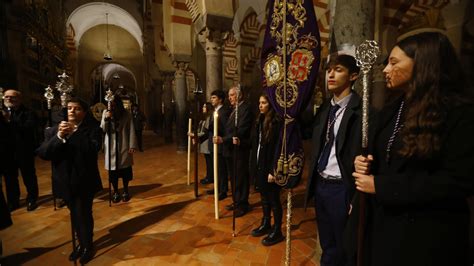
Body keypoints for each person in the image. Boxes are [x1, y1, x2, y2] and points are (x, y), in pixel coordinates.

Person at [351, 32, 474, 266]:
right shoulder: (394, 107)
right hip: (385, 226)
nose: (385, 70)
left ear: (423, 64)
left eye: (394, 62)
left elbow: (458, 181)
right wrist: (365, 162)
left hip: (427, 234)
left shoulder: (459, 113)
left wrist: (381, 185)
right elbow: (384, 152)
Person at [303, 53, 361, 266]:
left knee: (345, 246)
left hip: (342, 188)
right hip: (322, 184)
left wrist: (355, 198)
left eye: (338, 70)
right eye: (328, 71)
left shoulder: (362, 112)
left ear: (353, 76)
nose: (331, 75)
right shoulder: (326, 110)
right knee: (327, 244)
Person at [37, 98, 103, 264]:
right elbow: (43, 153)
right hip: (63, 181)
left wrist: (75, 133)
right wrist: (59, 136)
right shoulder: (53, 131)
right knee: (74, 213)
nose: (72, 111)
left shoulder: (93, 130)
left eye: (77, 108)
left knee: (83, 213)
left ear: (84, 112)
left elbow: (92, 149)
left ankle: (87, 245)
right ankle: (81, 242)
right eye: (69, 108)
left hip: (84, 180)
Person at [249, 93, 284, 246]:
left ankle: (277, 230)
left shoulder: (276, 122)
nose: (260, 105)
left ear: (270, 104)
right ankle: (266, 223)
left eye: (263, 103)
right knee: (264, 197)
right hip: (260, 164)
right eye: (259, 102)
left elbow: (278, 148)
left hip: (270, 167)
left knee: (274, 199)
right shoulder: (260, 120)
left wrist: (273, 170)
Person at [215, 86, 254, 217]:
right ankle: (236, 201)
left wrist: (223, 139)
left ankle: (243, 204)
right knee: (233, 177)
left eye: (232, 95)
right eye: (229, 95)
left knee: (240, 177)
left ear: (239, 95)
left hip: (239, 149)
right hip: (230, 149)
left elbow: (241, 130)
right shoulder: (234, 110)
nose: (229, 98)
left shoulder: (245, 109)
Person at [2, 89, 39, 211]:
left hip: (24, 151)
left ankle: (32, 199)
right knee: (10, 178)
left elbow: (29, 128)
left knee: (28, 176)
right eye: (6, 97)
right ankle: (13, 201)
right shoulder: (1, 113)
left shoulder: (28, 113)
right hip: (7, 152)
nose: (9, 99)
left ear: (19, 99)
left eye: (12, 97)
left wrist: (10, 121)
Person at [101, 97, 138, 203]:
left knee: (125, 171)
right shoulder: (105, 112)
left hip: (124, 145)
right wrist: (106, 118)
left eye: (113, 104)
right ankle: (116, 191)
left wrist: (132, 145)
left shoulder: (126, 114)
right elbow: (103, 128)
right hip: (111, 146)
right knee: (113, 173)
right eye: (109, 104)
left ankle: (126, 190)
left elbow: (131, 129)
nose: (111, 106)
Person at [200, 90, 230, 200]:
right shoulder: (215, 111)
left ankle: (223, 190)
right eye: (211, 97)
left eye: (214, 97)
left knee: (221, 169)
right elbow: (210, 129)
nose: (211, 100)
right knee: (215, 168)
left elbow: (226, 128)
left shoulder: (224, 111)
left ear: (220, 99)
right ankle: (217, 187)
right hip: (213, 144)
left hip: (220, 145)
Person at [198, 102, 214, 185]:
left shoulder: (209, 118)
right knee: (208, 161)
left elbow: (206, 131)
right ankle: (208, 176)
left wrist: (196, 135)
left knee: (209, 162)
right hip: (204, 142)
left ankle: (210, 177)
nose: (203, 108)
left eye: (204, 107)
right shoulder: (205, 117)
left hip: (207, 142)